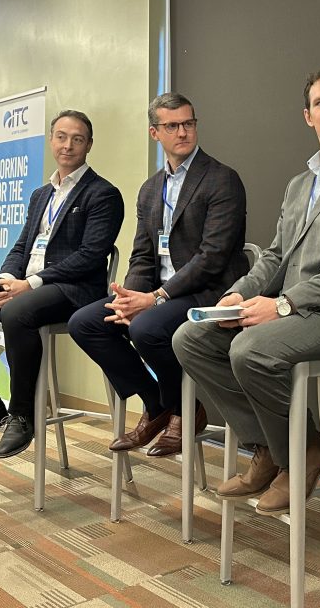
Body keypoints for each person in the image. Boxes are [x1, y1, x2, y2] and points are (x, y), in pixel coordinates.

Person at [172, 67, 320, 516]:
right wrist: (238, 294)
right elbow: (276, 257)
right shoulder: (300, 184)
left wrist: (283, 304)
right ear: (307, 116)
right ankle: (269, 448)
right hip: (297, 314)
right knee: (192, 339)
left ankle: (305, 452)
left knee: (250, 350)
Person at [0, 110, 124, 459]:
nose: (68, 145)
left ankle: (22, 414)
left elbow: (91, 256)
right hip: (25, 286)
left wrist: (30, 284)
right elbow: (22, 246)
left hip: (72, 290)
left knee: (17, 310)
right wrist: (6, 279)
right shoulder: (40, 195)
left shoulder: (103, 194)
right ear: (51, 140)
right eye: (61, 136)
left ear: (89, 145)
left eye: (77, 139)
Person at [68, 93, 248, 456]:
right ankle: (156, 404)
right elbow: (143, 256)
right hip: (160, 295)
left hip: (208, 292)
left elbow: (212, 258)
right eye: (172, 126)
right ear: (155, 133)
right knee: (86, 322)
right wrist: (129, 299)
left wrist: (154, 299)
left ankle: (185, 408)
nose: (182, 132)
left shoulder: (221, 179)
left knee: (146, 327)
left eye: (188, 123)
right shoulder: (150, 190)